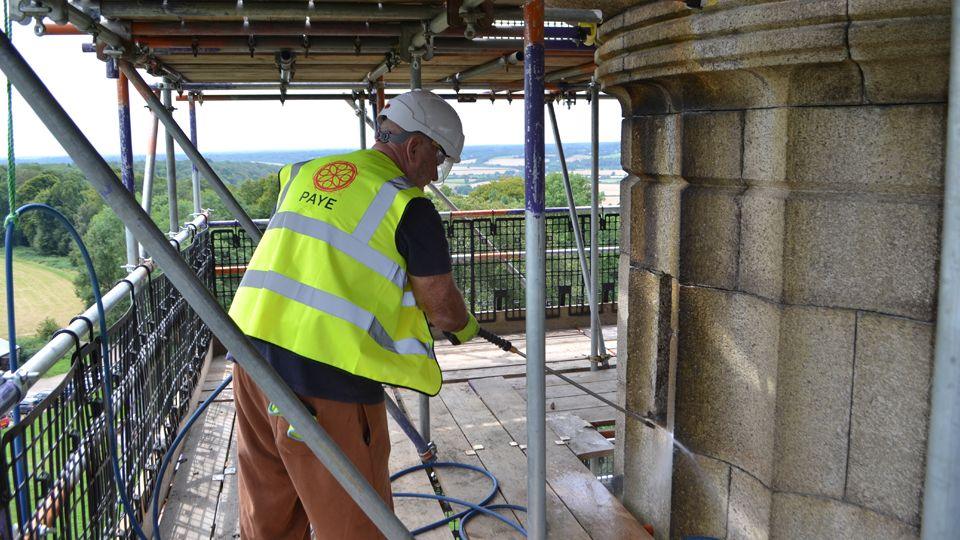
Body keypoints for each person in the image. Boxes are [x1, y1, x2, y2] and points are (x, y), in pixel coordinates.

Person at [226, 89, 479, 539]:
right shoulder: (409, 206)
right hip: (325, 377)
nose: (437, 172)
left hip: (249, 354)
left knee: (269, 515)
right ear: (414, 146)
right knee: (357, 523)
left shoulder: (305, 172)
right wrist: (468, 327)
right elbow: (441, 308)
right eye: (439, 157)